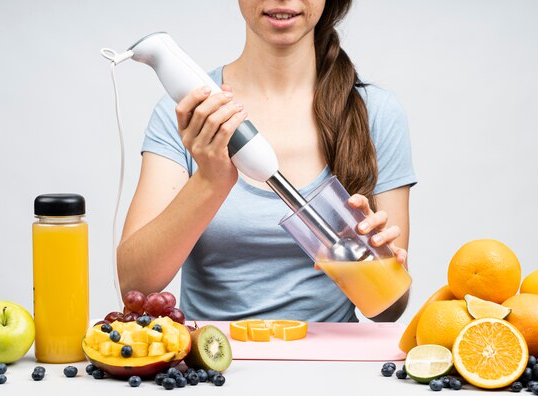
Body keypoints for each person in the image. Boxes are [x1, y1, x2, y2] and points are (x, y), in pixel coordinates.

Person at [117, 0, 417, 322]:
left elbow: (390, 311)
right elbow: (136, 285)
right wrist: (210, 181)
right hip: (214, 364)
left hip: (331, 365)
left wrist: (377, 258)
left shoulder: (377, 114)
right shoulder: (190, 116)